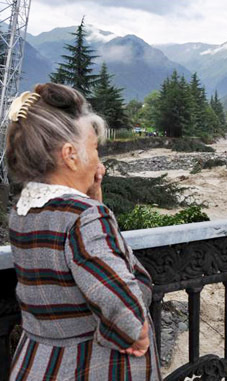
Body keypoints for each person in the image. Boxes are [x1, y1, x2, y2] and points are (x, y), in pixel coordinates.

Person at [7, 83, 161, 380]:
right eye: (93, 148)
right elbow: (120, 300)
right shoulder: (84, 216)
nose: (98, 161)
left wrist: (93, 193)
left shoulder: (24, 210)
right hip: (90, 364)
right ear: (70, 155)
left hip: (39, 360)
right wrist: (137, 333)